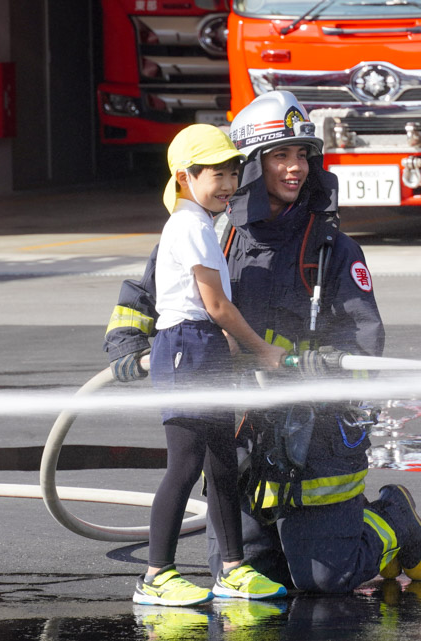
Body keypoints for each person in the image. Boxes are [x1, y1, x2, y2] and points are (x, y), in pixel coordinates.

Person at [104, 91, 421, 595]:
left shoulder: (331, 249)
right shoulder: (210, 230)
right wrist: (127, 338)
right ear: (252, 165)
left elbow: (365, 340)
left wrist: (329, 369)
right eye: (280, 155)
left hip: (313, 443)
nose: (295, 168)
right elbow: (148, 292)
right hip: (239, 439)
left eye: (303, 155)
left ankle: (394, 521)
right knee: (241, 575)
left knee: (324, 579)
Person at [132, 123, 289, 608]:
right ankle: (156, 576)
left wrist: (227, 343)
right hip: (186, 349)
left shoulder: (201, 223)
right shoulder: (189, 225)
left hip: (203, 346)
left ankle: (232, 570)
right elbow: (215, 304)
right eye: (215, 174)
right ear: (184, 177)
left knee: (222, 463)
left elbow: (211, 311)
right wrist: (262, 350)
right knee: (183, 466)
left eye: (232, 171)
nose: (227, 183)